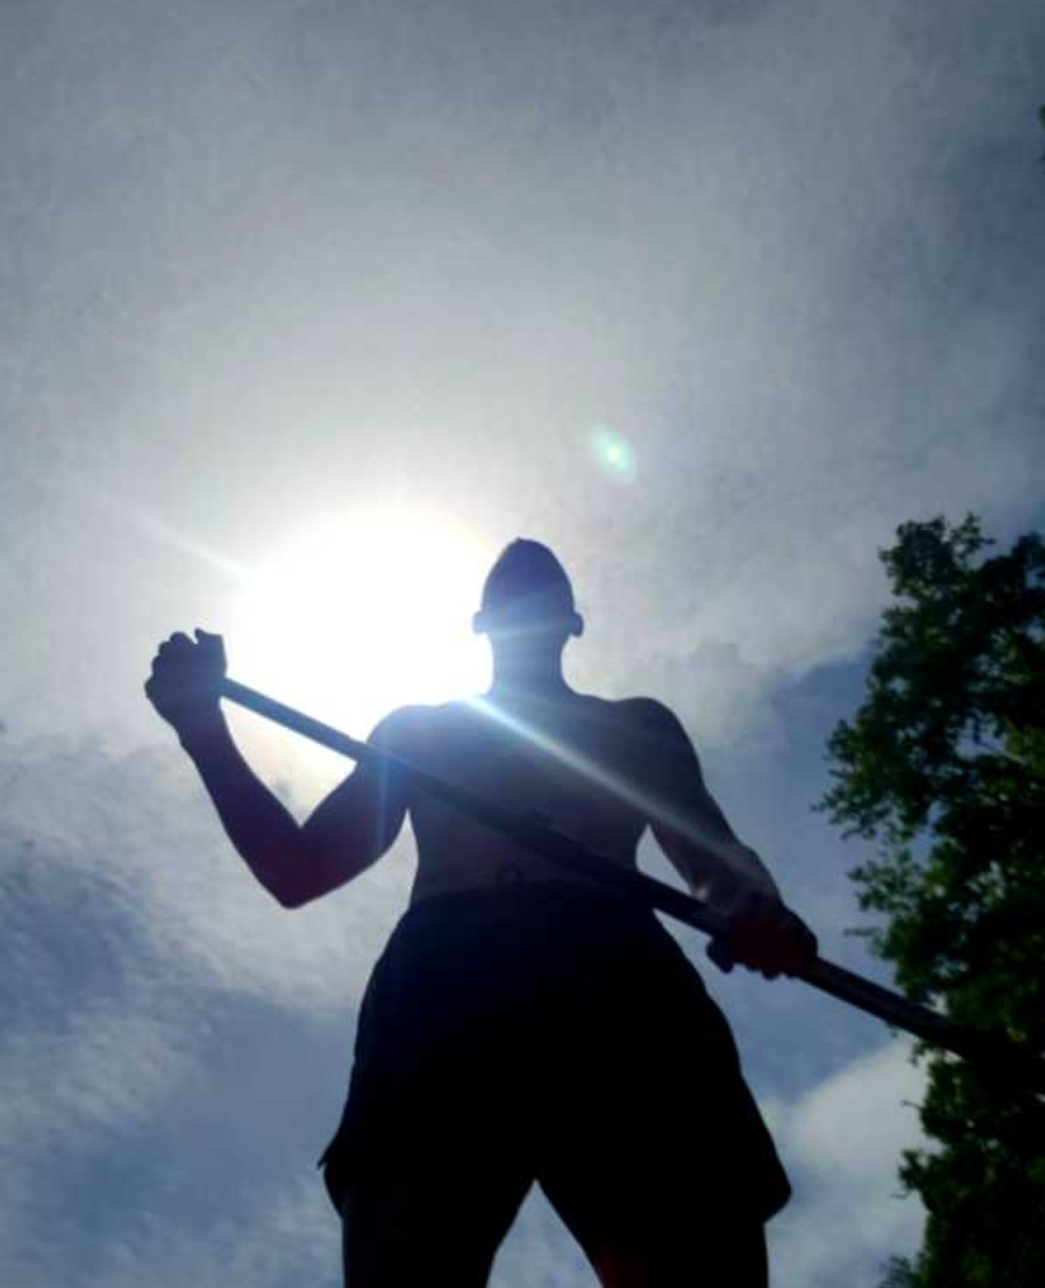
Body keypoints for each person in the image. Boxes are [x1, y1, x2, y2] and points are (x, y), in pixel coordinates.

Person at [145, 538, 818, 1286]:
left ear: (572, 623)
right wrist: (202, 728)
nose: (524, 589)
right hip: (445, 985)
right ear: (479, 625)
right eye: (509, 595)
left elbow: (713, 853)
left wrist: (755, 905)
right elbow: (299, 868)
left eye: (541, 593)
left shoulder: (634, 726)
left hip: (616, 982)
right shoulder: (418, 731)